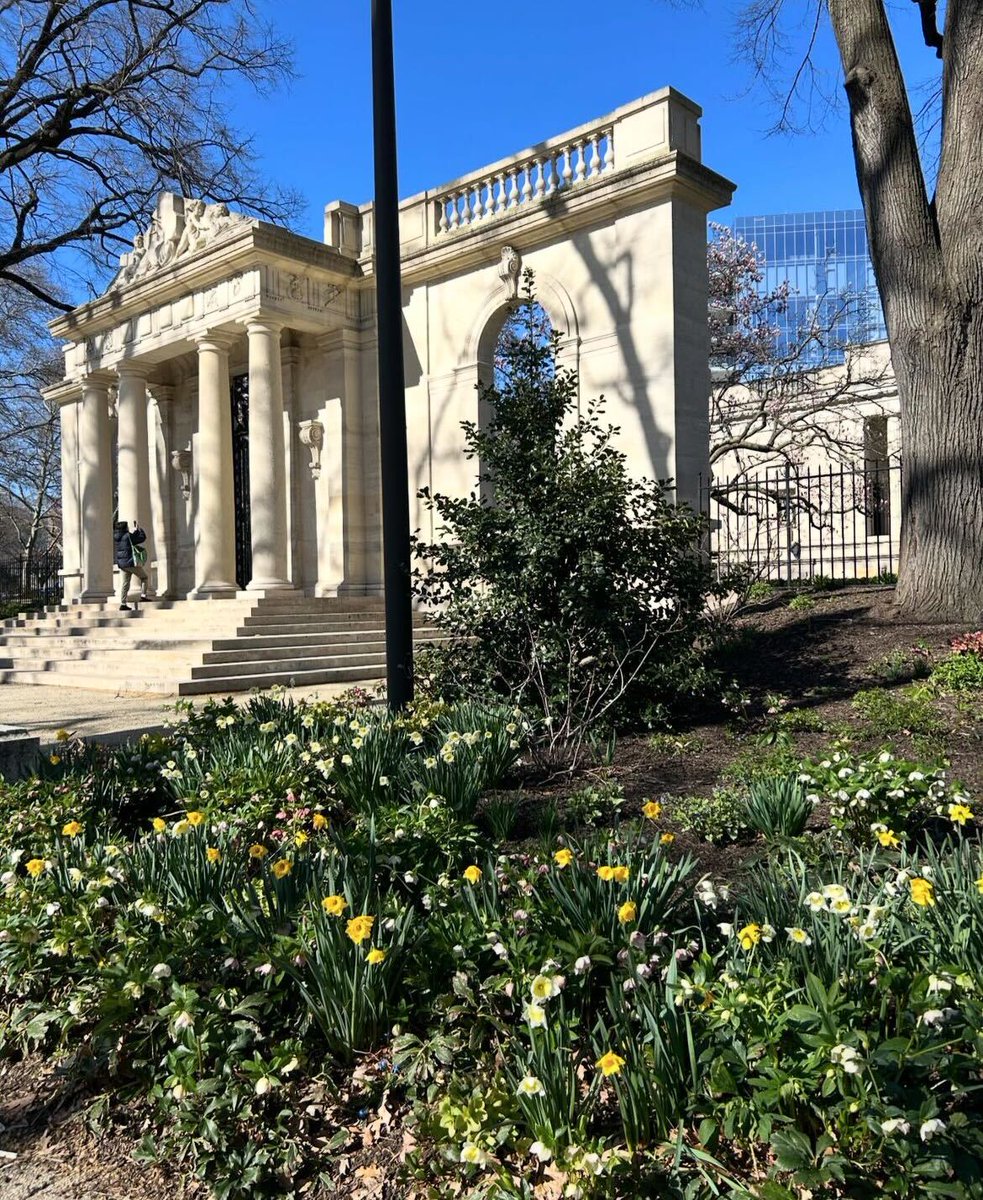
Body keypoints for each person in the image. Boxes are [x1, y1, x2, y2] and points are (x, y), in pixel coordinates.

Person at [113, 520, 153, 610]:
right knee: (144, 577)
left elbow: (131, 539)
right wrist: (139, 529)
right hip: (130, 562)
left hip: (122, 565)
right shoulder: (128, 536)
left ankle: (123, 604)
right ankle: (143, 596)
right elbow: (141, 538)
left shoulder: (117, 537)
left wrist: (135, 532)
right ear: (125, 528)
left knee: (125, 583)